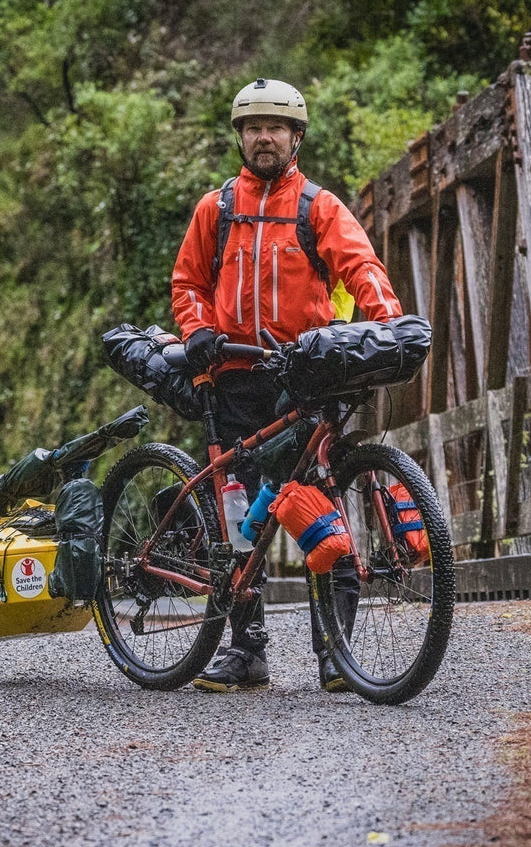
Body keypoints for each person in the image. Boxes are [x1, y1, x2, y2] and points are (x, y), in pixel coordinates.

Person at [169, 78, 404, 693]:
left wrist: (391, 328)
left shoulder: (318, 207)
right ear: (240, 137)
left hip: (299, 378)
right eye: (253, 127)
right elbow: (187, 283)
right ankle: (244, 653)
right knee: (235, 520)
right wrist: (195, 329)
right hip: (232, 379)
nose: (264, 137)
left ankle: (336, 654)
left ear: (296, 137)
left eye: (276, 127)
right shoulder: (214, 210)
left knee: (319, 510)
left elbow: (362, 267)